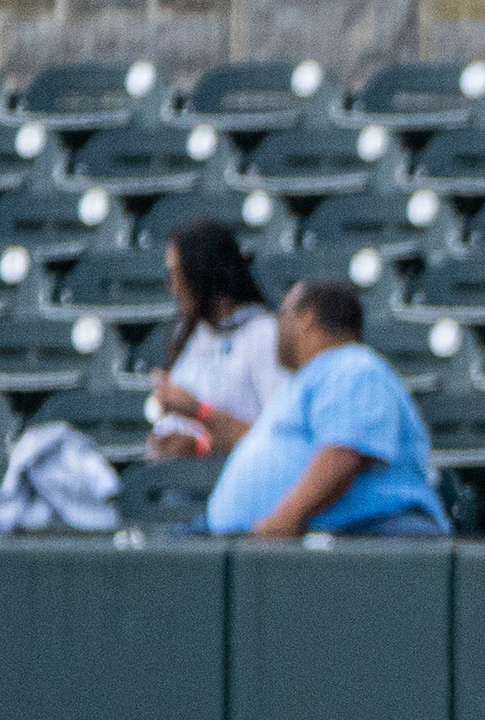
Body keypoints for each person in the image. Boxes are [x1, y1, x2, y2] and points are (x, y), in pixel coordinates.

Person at [202, 279, 450, 540]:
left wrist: (283, 519)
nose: (277, 325)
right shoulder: (311, 378)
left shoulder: (351, 365)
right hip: (285, 540)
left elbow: (343, 453)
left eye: (282, 314)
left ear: (307, 320)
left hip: (366, 534)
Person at [145, 214, 285, 460]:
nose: (172, 286)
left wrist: (202, 440)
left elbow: (282, 440)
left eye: (177, 273)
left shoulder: (263, 333)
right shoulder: (191, 333)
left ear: (202, 271)